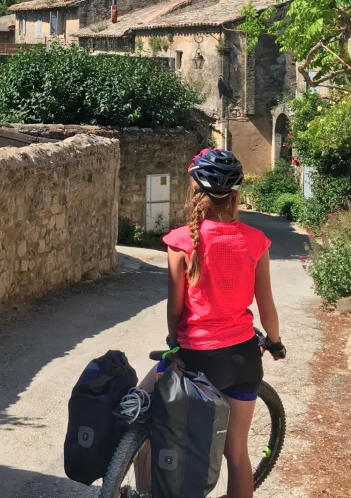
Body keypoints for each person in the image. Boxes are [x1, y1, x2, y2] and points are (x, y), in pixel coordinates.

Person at [137, 148, 286, 498]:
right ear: (235, 197)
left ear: (194, 193)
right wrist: (275, 343)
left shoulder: (180, 242)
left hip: (196, 359)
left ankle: (126, 485)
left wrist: (174, 341)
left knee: (140, 410)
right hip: (243, 360)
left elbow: (174, 309)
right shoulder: (255, 242)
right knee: (237, 455)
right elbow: (267, 309)